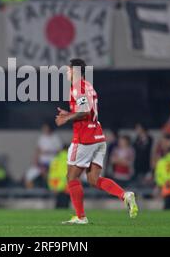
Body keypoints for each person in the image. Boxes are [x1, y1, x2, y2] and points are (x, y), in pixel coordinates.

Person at [55, 58, 138, 224]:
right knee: (93, 179)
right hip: (99, 137)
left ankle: (81, 217)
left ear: (75, 71)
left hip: (85, 139)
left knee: (71, 177)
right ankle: (125, 195)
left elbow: (85, 111)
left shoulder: (77, 87)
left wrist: (67, 117)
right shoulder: (89, 86)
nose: (66, 72)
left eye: (68, 69)